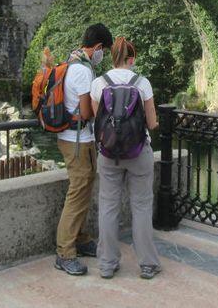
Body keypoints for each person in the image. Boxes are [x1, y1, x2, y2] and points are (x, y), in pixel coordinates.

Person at [90, 37, 161, 280]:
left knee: (108, 206)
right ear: (132, 59)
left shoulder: (99, 84)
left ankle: (107, 264)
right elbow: (151, 123)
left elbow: (95, 119)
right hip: (139, 152)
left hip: (109, 154)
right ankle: (148, 264)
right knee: (141, 206)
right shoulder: (143, 83)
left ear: (111, 58)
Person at [53, 23, 113, 276]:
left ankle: (80, 237)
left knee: (84, 189)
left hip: (78, 139)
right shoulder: (82, 71)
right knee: (78, 193)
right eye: (104, 51)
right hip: (76, 140)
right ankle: (64, 253)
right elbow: (87, 111)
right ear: (98, 48)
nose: (104, 56)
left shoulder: (72, 61)